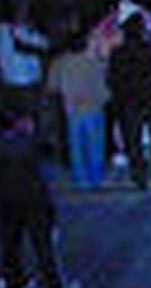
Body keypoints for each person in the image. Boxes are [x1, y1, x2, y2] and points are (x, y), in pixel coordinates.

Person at [0, 107, 75, 288]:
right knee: (43, 245)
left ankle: (16, 285)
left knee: (11, 244)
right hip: (34, 199)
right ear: (20, 122)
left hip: (6, 201)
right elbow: (47, 161)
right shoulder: (31, 143)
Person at [107, 13, 151, 189]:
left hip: (128, 101)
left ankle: (139, 175)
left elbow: (112, 78)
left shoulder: (118, 53)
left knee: (133, 140)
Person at [47, 32, 110, 190]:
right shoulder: (94, 61)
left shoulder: (61, 62)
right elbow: (105, 84)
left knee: (76, 146)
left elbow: (52, 85)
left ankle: (81, 180)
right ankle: (96, 178)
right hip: (94, 107)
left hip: (71, 109)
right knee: (95, 145)